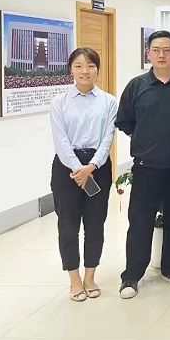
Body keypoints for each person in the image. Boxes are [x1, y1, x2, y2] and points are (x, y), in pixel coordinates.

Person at [116, 31, 170, 299]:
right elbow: (125, 122)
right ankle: (132, 276)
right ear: (148, 54)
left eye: (167, 50)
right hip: (147, 166)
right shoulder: (137, 86)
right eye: (156, 50)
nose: (162, 55)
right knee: (140, 222)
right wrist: (148, 139)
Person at [49, 48, 117, 302]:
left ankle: (90, 276)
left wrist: (92, 166)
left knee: (95, 225)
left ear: (98, 69)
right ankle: (74, 279)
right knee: (68, 226)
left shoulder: (109, 102)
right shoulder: (59, 102)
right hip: (67, 169)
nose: (85, 71)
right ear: (71, 69)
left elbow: (108, 138)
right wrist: (78, 168)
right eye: (78, 66)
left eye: (90, 66)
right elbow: (61, 140)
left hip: (98, 168)